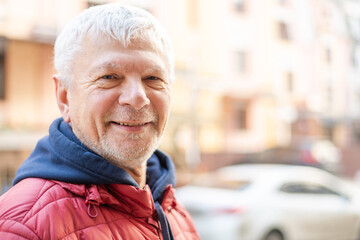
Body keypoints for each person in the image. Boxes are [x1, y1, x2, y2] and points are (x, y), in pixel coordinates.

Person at [0, 3, 200, 240]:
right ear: (65, 97)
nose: (138, 97)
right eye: (109, 77)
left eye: (153, 78)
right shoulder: (24, 227)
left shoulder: (170, 208)